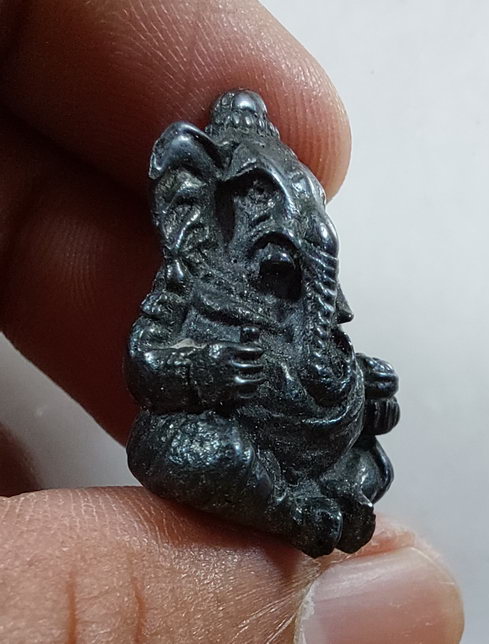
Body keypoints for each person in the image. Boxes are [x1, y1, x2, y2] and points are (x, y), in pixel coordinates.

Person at [0, 1, 464, 641]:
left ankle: (325, 498)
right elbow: (147, 364)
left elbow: (326, 345)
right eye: (259, 193)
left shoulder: (297, 287)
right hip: (244, 454)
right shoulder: (190, 280)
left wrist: (363, 390)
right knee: (166, 444)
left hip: (315, 436)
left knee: (363, 429)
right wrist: (209, 366)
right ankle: (290, 507)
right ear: (200, 196)